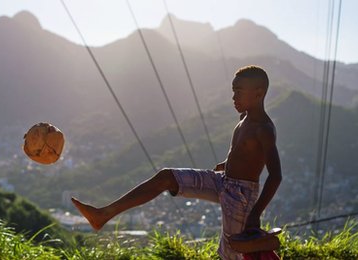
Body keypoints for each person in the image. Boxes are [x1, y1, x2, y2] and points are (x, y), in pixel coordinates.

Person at [71, 65, 282, 259]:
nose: (233, 96)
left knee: (232, 253)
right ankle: (103, 214)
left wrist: (255, 214)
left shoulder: (264, 129)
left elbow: (275, 176)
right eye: (233, 90)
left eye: (238, 91)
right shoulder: (243, 118)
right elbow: (244, 153)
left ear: (259, 93)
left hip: (241, 196)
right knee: (166, 177)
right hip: (223, 180)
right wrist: (227, 163)